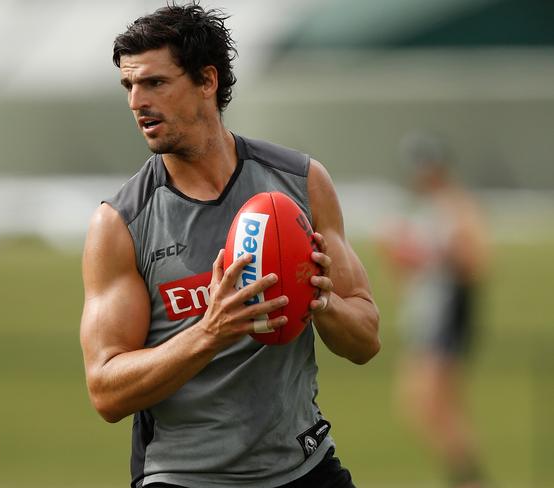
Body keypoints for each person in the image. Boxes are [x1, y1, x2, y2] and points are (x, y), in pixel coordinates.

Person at [79, 4, 380, 487]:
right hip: (184, 476)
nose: (137, 101)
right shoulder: (119, 224)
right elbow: (106, 392)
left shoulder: (300, 182)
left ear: (207, 80)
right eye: (128, 87)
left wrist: (320, 301)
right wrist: (210, 332)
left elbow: (366, 340)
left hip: (302, 466)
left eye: (155, 83)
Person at [379, 131, 488, 488]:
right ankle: (466, 476)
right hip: (429, 320)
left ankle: (468, 477)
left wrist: (420, 253)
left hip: (448, 318)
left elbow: (473, 263)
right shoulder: (427, 210)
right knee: (433, 406)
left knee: (427, 403)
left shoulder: (455, 207)